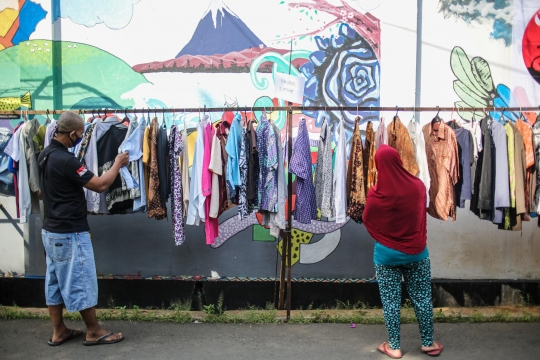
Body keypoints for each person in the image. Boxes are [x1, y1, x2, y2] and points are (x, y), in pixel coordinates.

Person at [38, 111, 129, 346]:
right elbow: (100, 184)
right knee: (81, 280)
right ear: (72, 134)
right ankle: (94, 331)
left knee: (55, 283)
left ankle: (59, 331)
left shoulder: (45, 155)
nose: (80, 138)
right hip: (69, 232)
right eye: (79, 135)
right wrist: (117, 163)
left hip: (51, 231)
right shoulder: (67, 160)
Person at [363, 145, 443, 358]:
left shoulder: (376, 193)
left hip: (386, 255)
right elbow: (420, 216)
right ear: (398, 160)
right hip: (417, 252)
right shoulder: (418, 186)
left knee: (391, 302)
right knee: (422, 298)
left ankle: (394, 346)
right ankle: (428, 343)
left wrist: (385, 238)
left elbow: (367, 218)